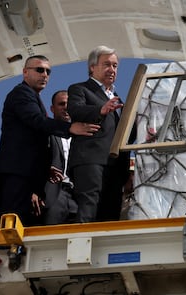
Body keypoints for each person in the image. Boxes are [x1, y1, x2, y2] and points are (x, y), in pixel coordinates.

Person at [0, 55, 100, 226]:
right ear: (25, 72)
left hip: (29, 174)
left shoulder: (33, 97)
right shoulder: (21, 93)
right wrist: (70, 128)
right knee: (12, 221)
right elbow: (36, 120)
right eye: (39, 70)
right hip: (18, 172)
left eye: (48, 71)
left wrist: (45, 169)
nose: (44, 74)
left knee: (21, 224)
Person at [67, 45, 135, 223]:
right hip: (90, 161)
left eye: (115, 66)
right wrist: (101, 110)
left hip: (116, 166)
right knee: (89, 209)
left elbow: (123, 134)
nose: (111, 70)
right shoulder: (80, 89)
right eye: (106, 64)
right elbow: (75, 110)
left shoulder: (117, 98)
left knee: (111, 213)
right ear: (92, 67)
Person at [43, 90, 78, 225]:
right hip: (53, 195)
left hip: (77, 196)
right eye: (61, 104)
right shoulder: (46, 131)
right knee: (49, 239)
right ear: (52, 109)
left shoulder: (83, 136)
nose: (66, 107)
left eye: (69, 104)